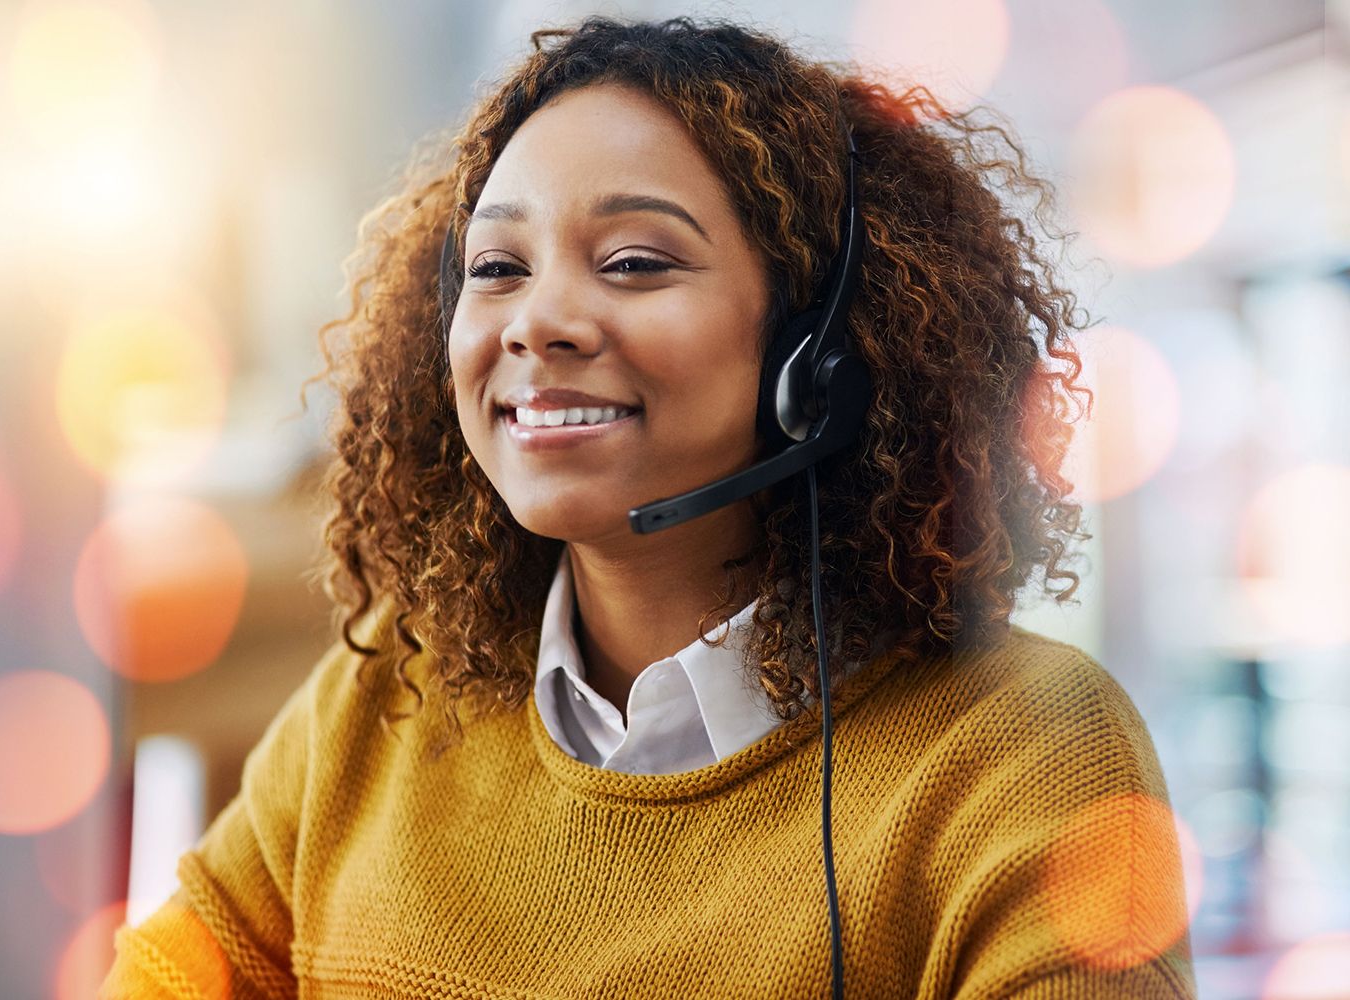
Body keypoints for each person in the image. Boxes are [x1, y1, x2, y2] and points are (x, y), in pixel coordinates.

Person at [102, 16, 1196, 999]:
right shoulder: (391, 680)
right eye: (496, 268)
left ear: (817, 354)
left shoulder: (1024, 747)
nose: (537, 322)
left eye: (631, 261)